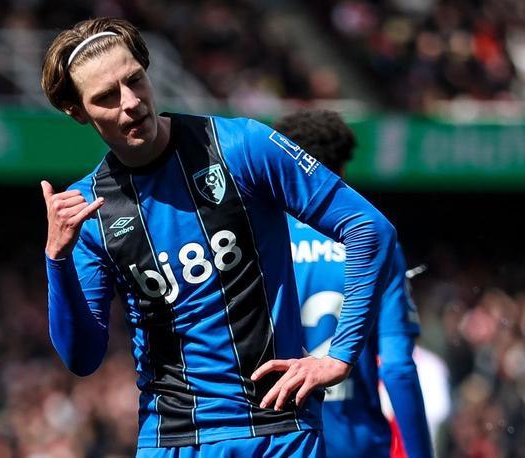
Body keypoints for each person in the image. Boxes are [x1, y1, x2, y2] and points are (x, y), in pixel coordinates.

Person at [39, 17, 396, 457]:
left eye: (135, 80)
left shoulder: (241, 146)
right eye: (106, 97)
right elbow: (82, 358)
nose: (131, 102)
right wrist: (57, 259)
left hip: (278, 431)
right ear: (77, 111)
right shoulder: (88, 211)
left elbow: (367, 228)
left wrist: (339, 356)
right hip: (171, 439)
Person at [274, 109, 432, 458]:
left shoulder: (262, 242)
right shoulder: (375, 243)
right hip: (357, 444)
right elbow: (398, 367)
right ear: (342, 171)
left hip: (278, 441)